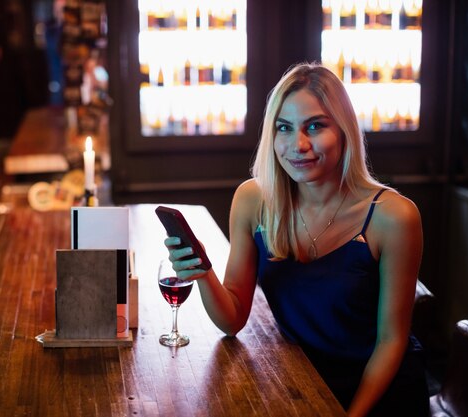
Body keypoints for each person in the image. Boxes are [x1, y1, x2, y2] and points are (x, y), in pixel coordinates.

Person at [164, 62, 429, 417]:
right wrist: (201, 271)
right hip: (301, 383)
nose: (297, 145)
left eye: (315, 126)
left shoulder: (393, 216)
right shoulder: (253, 201)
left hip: (379, 392)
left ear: (344, 131)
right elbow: (232, 320)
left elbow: (391, 342)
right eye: (284, 128)